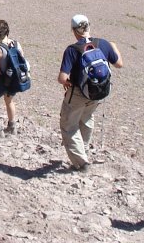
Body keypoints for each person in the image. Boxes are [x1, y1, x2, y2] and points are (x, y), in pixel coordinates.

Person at [57, 13, 123, 171]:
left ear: (74, 30)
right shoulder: (104, 44)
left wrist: (67, 82)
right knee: (86, 119)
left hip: (78, 93)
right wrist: (114, 47)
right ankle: (83, 151)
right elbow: (119, 64)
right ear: (88, 26)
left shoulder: (72, 50)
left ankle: (81, 162)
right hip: (98, 92)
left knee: (69, 125)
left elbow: (62, 78)